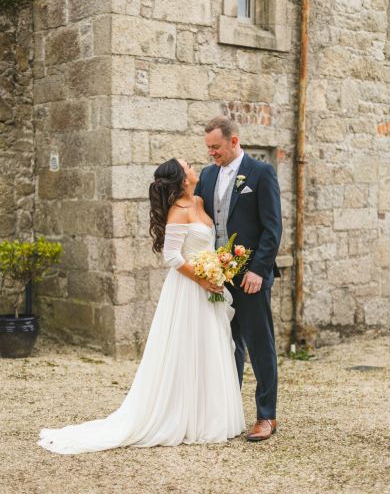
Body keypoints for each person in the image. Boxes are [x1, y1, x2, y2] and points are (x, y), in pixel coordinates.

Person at [37, 158, 245, 454]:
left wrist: (219, 268)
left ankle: (210, 415)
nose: (192, 166)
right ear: (183, 178)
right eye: (187, 165)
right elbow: (172, 257)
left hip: (208, 287)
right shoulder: (178, 212)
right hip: (189, 289)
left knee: (210, 347)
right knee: (187, 349)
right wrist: (203, 279)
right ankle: (180, 417)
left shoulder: (199, 201)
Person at [195, 116, 282, 442]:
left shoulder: (261, 173)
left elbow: (273, 229)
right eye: (208, 148)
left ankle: (266, 417)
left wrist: (259, 270)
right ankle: (228, 413)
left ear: (234, 141)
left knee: (260, 345)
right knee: (226, 344)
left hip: (250, 277)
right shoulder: (207, 174)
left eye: (216, 147)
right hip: (218, 276)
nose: (211, 153)